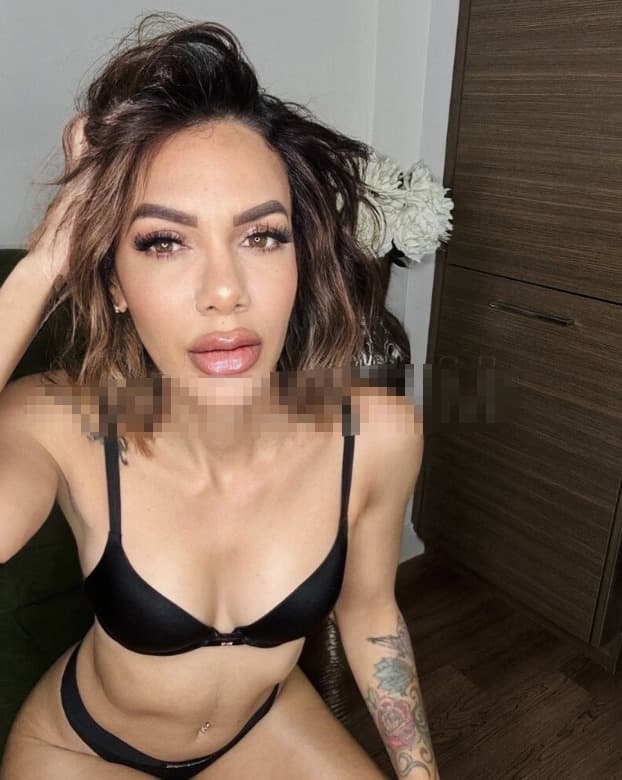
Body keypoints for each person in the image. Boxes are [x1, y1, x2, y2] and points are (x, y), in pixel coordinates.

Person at [0, 14, 437, 780]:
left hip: (262, 728)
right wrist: (44, 265)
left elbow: (370, 612)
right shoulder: (58, 421)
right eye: (163, 242)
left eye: (262, 236)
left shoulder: (378, 435)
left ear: (301, 259)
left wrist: (421, 774)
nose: (225, 291)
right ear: (113, 282)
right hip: (82, 750)